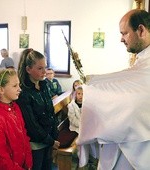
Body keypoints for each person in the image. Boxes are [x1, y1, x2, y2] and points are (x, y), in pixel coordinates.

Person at [76, 9, 150, 170]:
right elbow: (128, 78)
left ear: (141, 30)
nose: (121, 39)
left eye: (124, 33)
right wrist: (95, 81)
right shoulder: (143, 58)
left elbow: (134, 91)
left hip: (140, 148)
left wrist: (93, 89)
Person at [16, 49, 60, 170]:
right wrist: (50, 141)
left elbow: (51, 111)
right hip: (35, 144)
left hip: (48, 138)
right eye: (40, 68)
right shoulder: (23, 92)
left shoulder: (44, 84)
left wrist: (54, 137)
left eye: (45, 67)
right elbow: (31, 124)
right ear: (28, 69)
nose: (44, 72)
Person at [0, 68, 32, 170]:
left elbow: (24, 136)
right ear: (1, 90)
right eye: (14, 86)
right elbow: (0, 157)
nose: (19, 89)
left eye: (19, 85)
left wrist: (28, 162)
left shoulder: (15, 107)